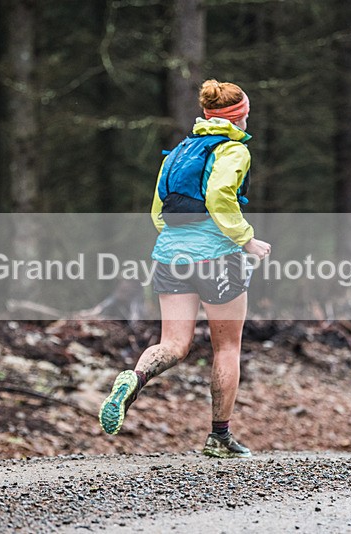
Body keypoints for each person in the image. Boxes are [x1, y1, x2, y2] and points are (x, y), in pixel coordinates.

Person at [98, 79, 271, 458]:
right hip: (218, 258)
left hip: (170, 256)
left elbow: (158, 211)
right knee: (227, 347)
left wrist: (180, 244)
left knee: (173, 345)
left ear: (206, 115)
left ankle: (136, 376)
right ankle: (219, 438)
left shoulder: (176, 152)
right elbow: (219, 196)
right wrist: (247, 240)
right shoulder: (234, 151)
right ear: (240, 115)